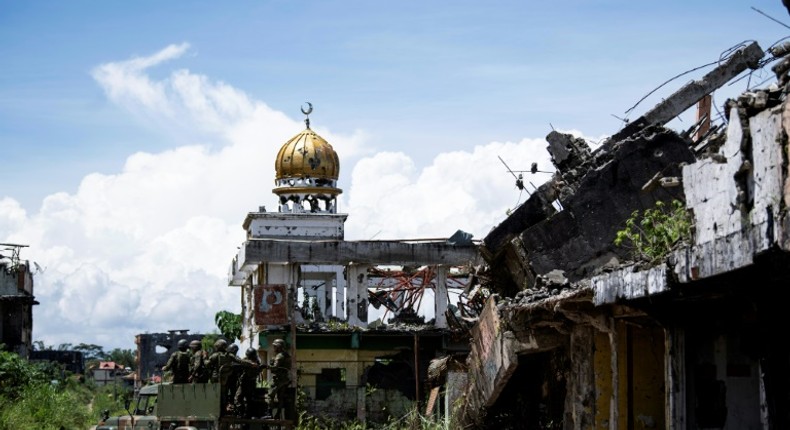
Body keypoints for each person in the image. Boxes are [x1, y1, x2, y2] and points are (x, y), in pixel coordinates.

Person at [234, 347, 266, 418]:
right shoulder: (257, 361)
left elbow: (241, 362)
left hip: (245, 383)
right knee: (249, 399)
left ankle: (241, 413)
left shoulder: (250, 362)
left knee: (238, 398)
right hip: (252, 383)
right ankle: (248, 414)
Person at [268, 339, 292, 419]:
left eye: (275, 346)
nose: (274, 348)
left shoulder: (279, 356)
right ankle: (278, 414)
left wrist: (269, 365)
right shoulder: (287, 355)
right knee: (280, 397)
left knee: (270, 395)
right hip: (285, 379)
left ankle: (269, 413)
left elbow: (274, 368)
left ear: (279, 347)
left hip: (278, 379)